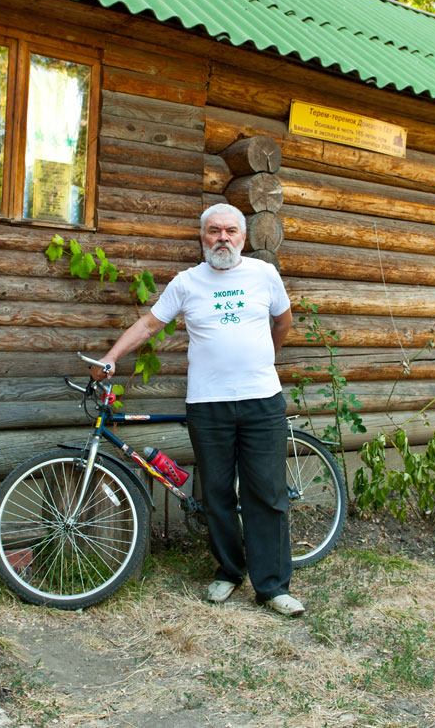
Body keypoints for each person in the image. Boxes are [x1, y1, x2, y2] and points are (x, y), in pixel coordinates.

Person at [90, 203, 303, 616]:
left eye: (230, 231)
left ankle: (273, 586)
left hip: (262, 401)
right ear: (202, 237)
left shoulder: (264, 274)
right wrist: (111, 356)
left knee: (268, 494)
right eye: (213, 231)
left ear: (243, 237)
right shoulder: (187, 282)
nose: (222, 238)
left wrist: (263, 360)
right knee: (217, 494)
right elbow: (149, 324)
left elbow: (283, 321)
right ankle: (228, 571)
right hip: (208, 405)